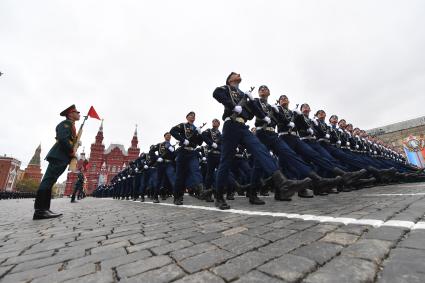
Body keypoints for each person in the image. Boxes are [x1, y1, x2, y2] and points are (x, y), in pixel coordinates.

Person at [212, 72, 311, 210]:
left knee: (261, 150)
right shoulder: (225, 88)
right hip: (231, 125)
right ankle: (218, 196)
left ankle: (282, 182)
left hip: (243, 127)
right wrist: (232, 106)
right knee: (226, 160)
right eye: (235, 74)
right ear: (229, 80)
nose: (239, 74)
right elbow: (216, 93)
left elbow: (255, 110)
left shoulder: (243, 94)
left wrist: (261, 112)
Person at [33, 104, 80, 220]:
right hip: (59, 156)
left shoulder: (71, 125)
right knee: (48, 180)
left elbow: (67, 139)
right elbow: (63, 139)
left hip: (61, 156)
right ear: (70, 114)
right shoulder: (66, 124)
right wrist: (71, 151)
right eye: (76, 112)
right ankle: (40, 210)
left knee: (50, 181)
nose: (79, 114)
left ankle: (44, 209)